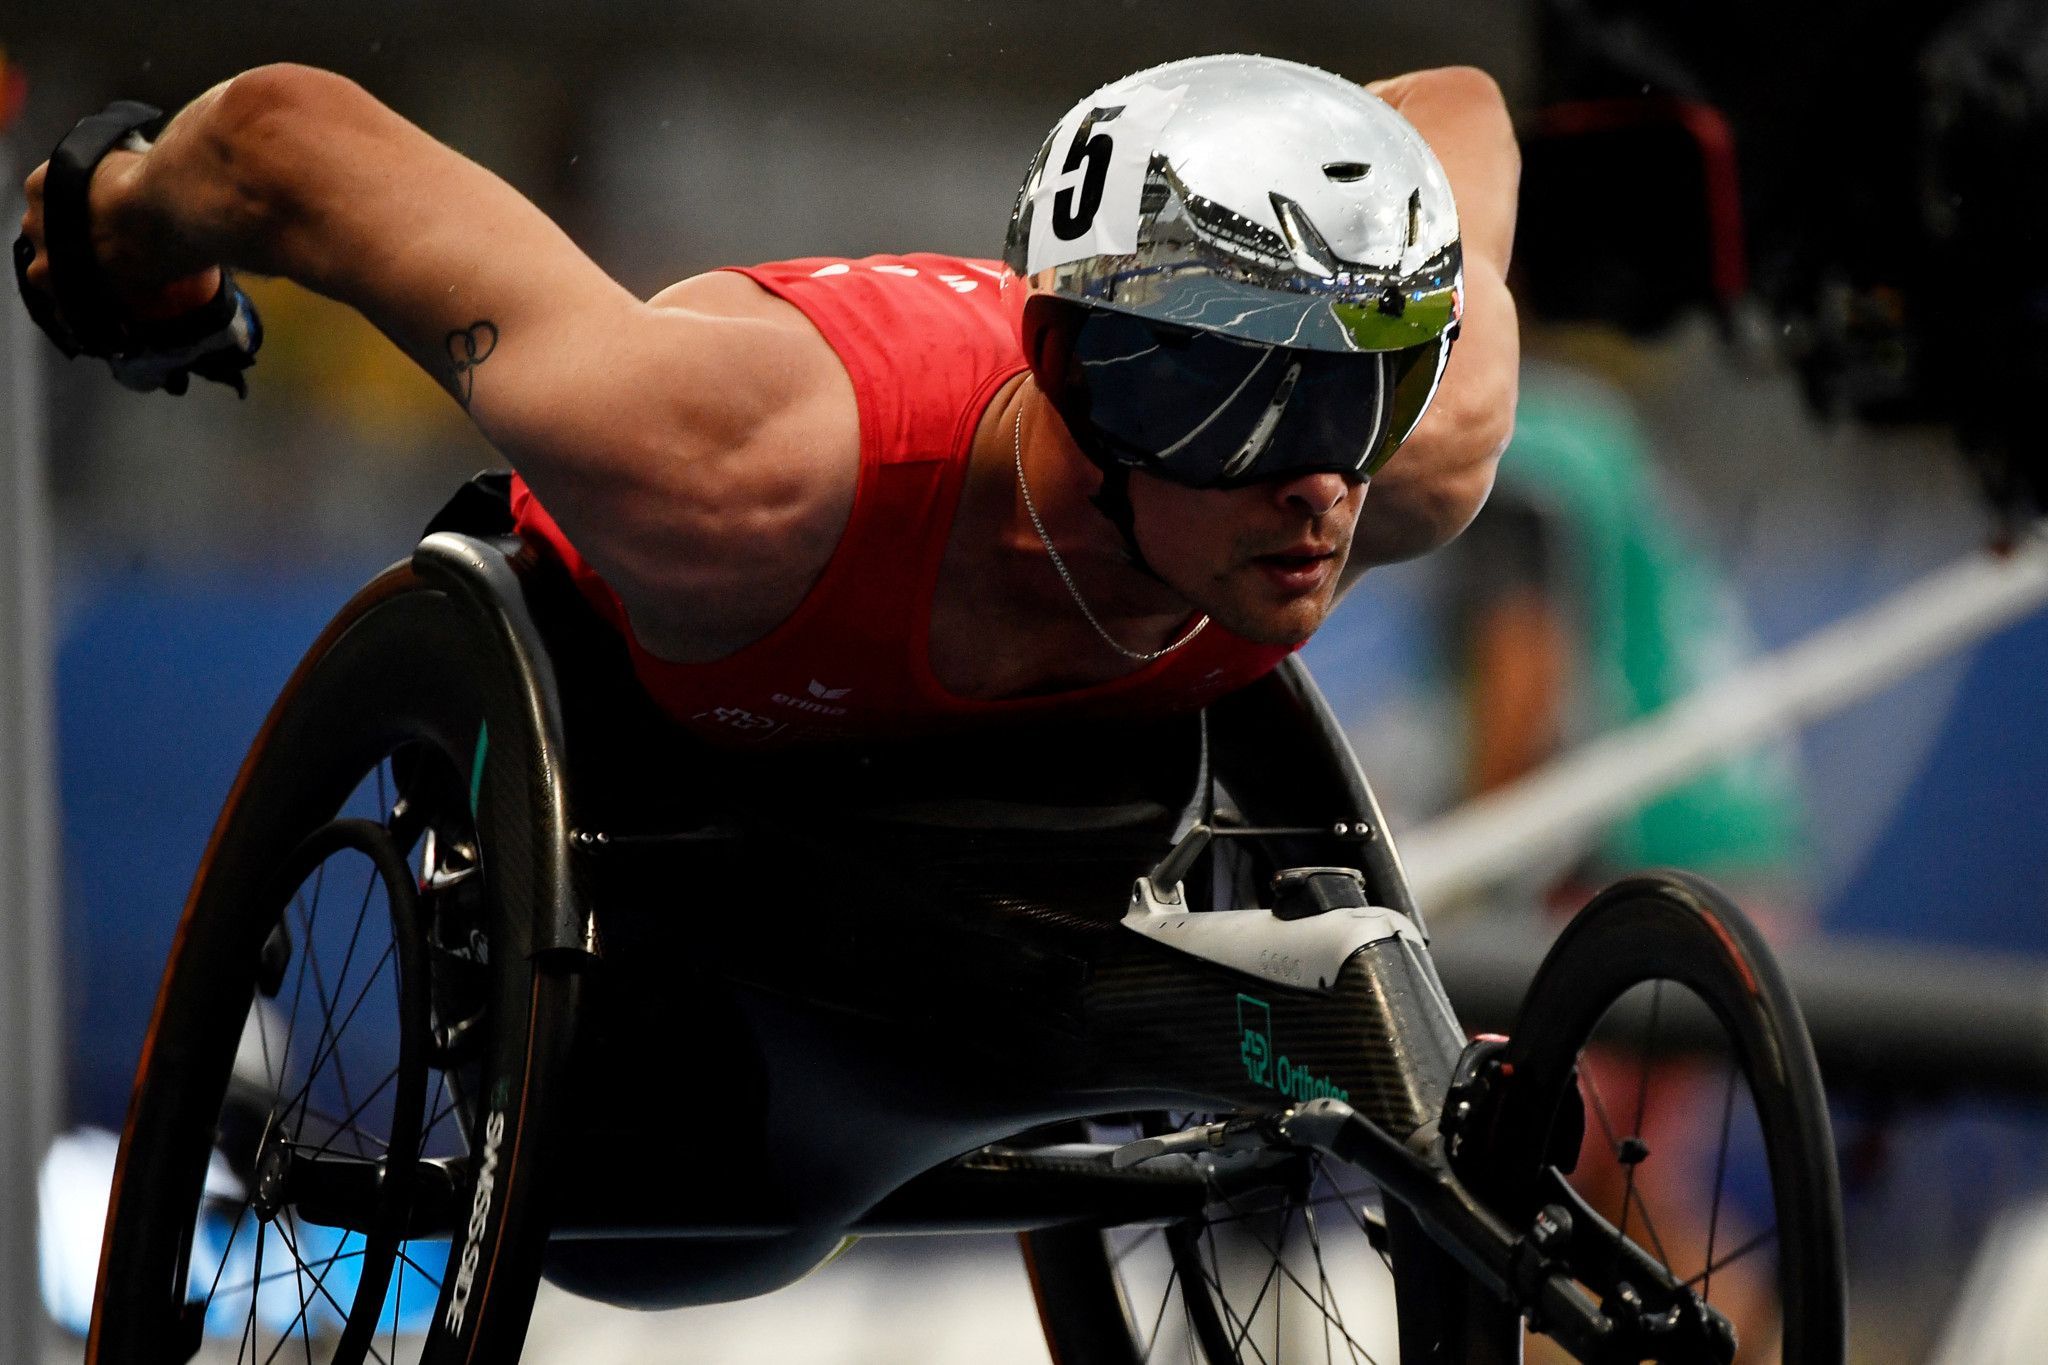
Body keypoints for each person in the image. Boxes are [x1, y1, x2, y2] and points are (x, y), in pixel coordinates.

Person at [17, 55, 1518, 748]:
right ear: (1113, 388)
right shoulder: (737, 478)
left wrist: (1334, 209)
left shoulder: (1419, 457)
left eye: (1365, 401)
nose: (1329, 488)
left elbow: (1457, 102)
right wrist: (124, 228)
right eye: (1273, 417)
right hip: (674, 721)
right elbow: (292, 142)